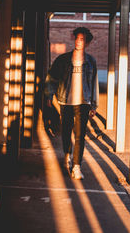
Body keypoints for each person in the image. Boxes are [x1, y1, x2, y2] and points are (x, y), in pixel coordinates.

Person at [44, 27, 99, 179]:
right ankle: (67, 154)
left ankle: (76, 166)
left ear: (87, 42)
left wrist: (94, 105)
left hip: (83, 103)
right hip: (65, 101)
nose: (79, 42)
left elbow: (94, 83)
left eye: (82, 39)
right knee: (66, 132)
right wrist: (49, 95)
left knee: (80, 136)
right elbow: (52, 77)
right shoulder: (62, 60)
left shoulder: (91, 61)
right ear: (73, 38)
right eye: (77, 38)